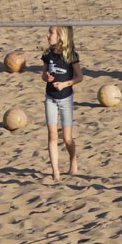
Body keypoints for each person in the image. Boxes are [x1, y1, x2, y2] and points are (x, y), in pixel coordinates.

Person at [42, 25, 83, 181]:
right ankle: (56, 171)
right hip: (50, 98)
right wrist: (47, 77)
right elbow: (43, 75)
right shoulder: (47, 54)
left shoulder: (71, 55)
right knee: (52, 136)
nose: (47, 35)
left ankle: (73, 159)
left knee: (67, 139)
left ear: (60, 36)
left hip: (66, 99)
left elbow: (80, 77)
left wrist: (65, 84)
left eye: (51, 33)